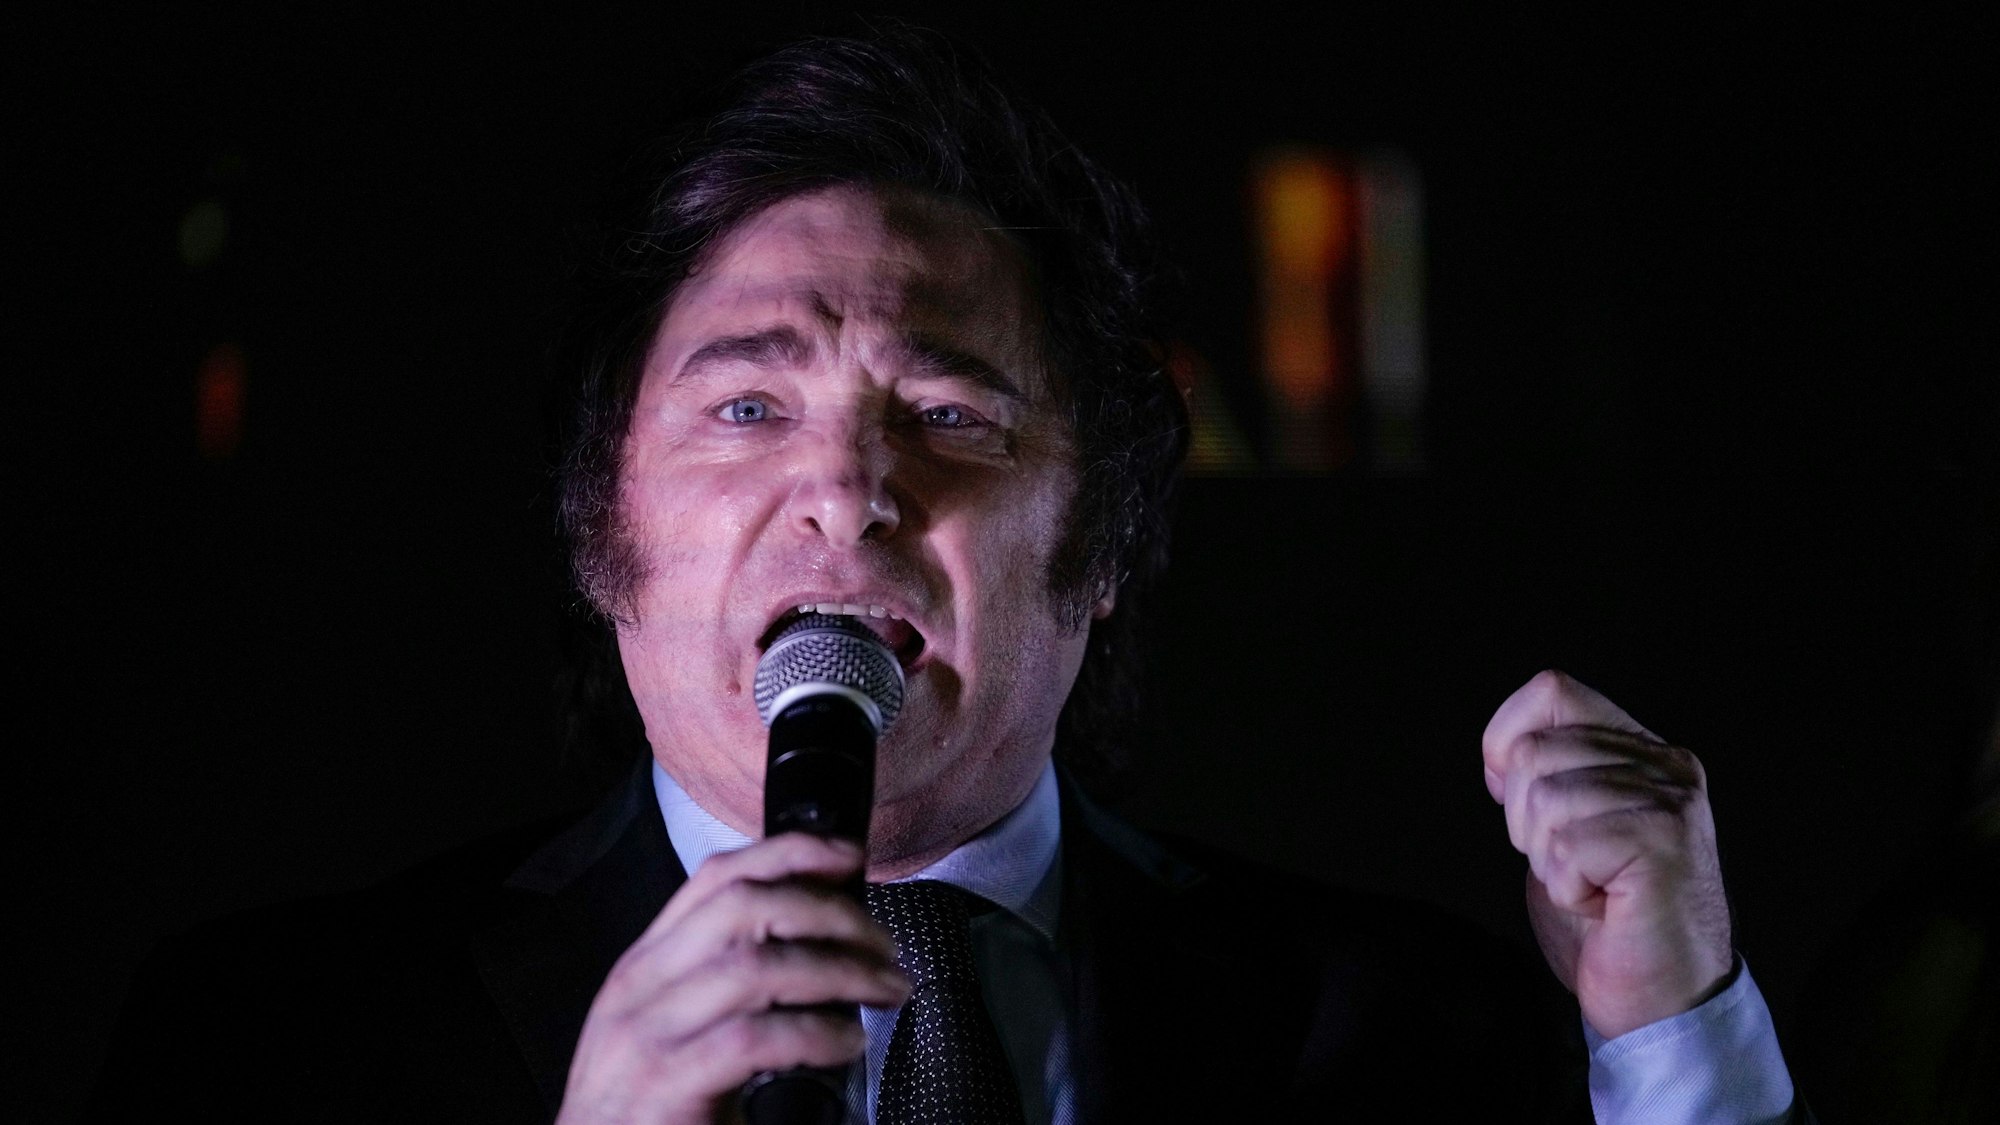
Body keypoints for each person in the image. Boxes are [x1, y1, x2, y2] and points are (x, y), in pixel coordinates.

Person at [94, 27, 1806, 1124]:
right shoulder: (271, 1042)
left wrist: (1673, 1035)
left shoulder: (1416, 1028)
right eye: (747, 406)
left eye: (950, 416)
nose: (848, 489)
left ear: (1103, 545)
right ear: (602, 527)